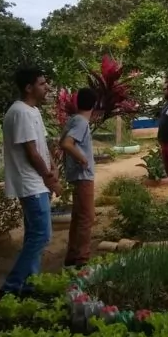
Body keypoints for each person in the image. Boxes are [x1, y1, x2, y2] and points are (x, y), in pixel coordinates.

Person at [0, 66, 60, 300]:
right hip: (30, 183)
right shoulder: (21, 112)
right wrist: (49, 178)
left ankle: (29, 286)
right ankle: (11, 287)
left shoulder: (32, 111)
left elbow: (42, 146)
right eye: (42, 84)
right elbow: (31, 152)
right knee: (41, 236)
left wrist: (53, 166)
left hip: (38, 182)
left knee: (34, 234)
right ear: (28, 87)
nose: (47, 88)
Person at [59, 87, 97, 268]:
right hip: (83, 176)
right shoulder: (82, 122)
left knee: (78, 216)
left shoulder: (73, 120)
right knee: (87, 217)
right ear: (95, 105)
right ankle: (82, 261)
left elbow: (61, 141)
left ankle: (72, 257)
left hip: (76, 175)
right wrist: (82, 159)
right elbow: (67, 144)